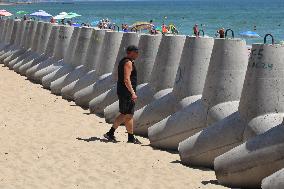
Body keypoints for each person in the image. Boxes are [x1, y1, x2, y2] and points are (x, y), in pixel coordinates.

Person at [104, 45, 141, 144]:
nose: (138, 54)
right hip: (127, 92)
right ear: (131, 52)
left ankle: (130, 137)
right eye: (136, 52)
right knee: (125, 114)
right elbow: (126, 79)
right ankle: (110, 133)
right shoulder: (128, 62)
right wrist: (132, 93)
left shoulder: (125, 61)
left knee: (128, 115)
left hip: (125, 91)